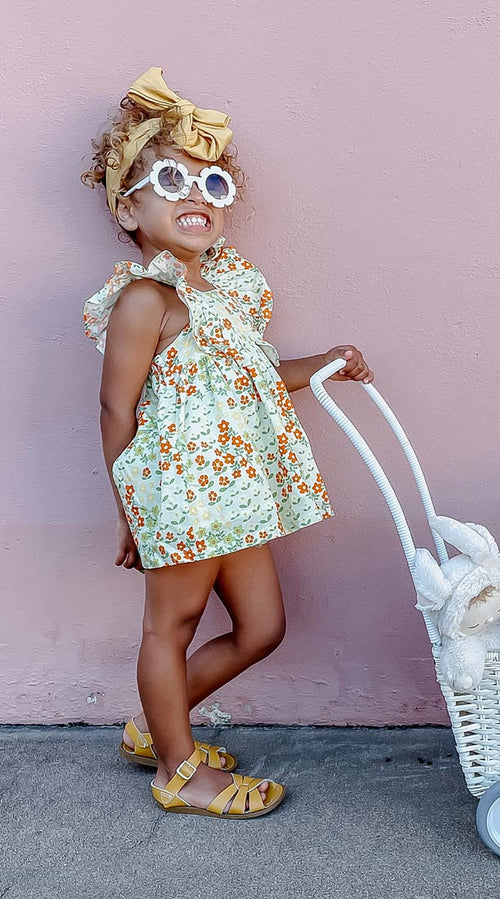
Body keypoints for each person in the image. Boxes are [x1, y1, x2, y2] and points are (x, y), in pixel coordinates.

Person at [82, 67, 373, 818]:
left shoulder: (227, 293)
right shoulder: (146, 299)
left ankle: (155, 727)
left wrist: (330, 366)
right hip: (179, 496)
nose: (194, 198)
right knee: (169, 626)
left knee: (262, 626)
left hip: (239, 494)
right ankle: (177, 770)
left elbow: (262, 376)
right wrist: (131, 510)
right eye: (171, 180)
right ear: (128, 207)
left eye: (212, 186)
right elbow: (116, 410)